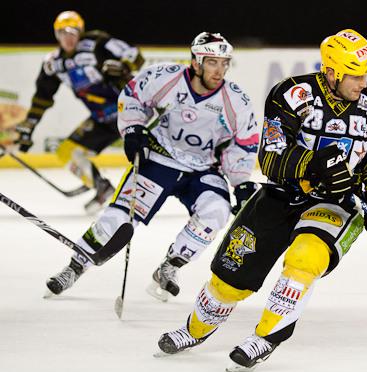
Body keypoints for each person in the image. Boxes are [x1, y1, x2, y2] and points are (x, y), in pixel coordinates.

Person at [156, 29, 367, 372]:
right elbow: (271, 158)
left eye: (365, 75)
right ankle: (195, 330)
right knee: (230, 278)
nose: (362, 83)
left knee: (306, 256)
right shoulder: (291, 94)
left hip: (335, 204)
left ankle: (267, 337)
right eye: (355, 75)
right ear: (332, 71)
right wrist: (315, 166)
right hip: (283, 193)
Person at [44, 32, 259, 300]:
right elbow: (132, 97)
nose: (220, 70)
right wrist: (134, 129)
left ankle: (171, 265)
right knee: (119, 218)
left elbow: (245, 142)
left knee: (217, 210)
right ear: (196, 62)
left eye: (224, 63)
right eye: (213, 62)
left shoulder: (236, 100)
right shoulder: (165, 77)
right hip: (158, 158)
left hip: (203, 169)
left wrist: (241, 182)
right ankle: (75, 266)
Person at [13, 11, 145, 213]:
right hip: (102, 119)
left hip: (131, 111)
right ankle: (101, 187)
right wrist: (29, 124)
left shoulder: (97, 43)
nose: (68, 37)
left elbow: (135, 56)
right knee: (67, 152)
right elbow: (43, 96)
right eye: (62, 32)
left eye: (73, 32)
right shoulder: (53, 63)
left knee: (152, 155)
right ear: (56, 35)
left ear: (81, 32)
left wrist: (124, 66)